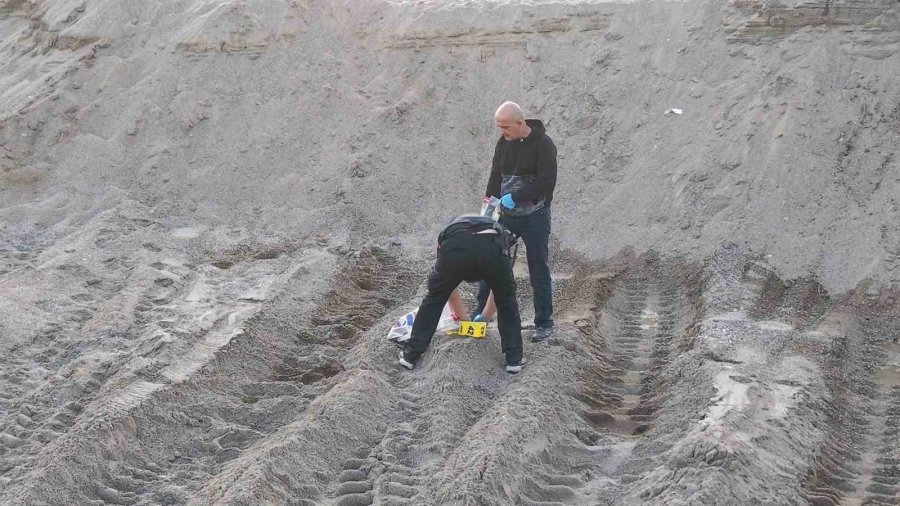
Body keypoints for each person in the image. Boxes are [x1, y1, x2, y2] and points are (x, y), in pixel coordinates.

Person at [399, 214, 525, 374]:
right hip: (492, 247)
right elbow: (501, 292)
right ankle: (514, 359)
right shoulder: (504, 239)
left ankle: (410, 355)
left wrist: (464, 321)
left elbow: (447, 291)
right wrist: (483, 318)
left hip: (457, 247)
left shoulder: (447, 235)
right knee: (507, 300)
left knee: (435, 297)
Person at [474, 101, 557, 342]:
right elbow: (496, 173)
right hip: (506, 217)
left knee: (538, 268)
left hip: (535, 216)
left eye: (505, 127)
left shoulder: (543, 145)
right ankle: (481, 313)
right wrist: (491, 199)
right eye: (499, 127)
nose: (502, 132)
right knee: (491, 262)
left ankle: (544, 322)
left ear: (520, 123)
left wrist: (517, 197)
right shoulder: (504, 143)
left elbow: (545, 183)